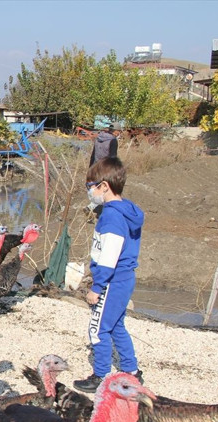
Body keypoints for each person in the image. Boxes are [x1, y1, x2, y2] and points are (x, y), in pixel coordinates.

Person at [73, 157, 144, 393]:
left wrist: (97, 287)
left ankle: (100, 375)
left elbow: (109, 255)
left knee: (98, 328)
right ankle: (131, 370)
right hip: (125, 278)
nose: (90, 191)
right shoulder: (127, 211)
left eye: (91, 186)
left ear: (104, 186)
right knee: (116, 326)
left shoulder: (112, 217)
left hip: (112, 281)